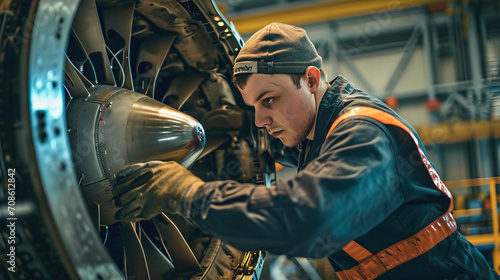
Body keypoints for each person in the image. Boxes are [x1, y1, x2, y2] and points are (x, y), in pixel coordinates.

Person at [112, 22, 499, 279]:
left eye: (270, 99)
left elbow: (308, 220)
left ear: (311, 79)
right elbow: (293, 149)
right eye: (253, 109)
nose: (262, 120)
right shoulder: (321, 134)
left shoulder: (362, 133)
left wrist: (187, 192)